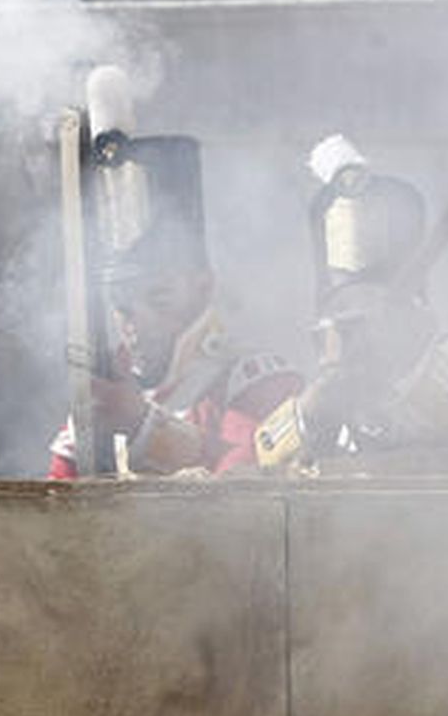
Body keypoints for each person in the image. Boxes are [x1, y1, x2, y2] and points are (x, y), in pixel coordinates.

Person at [254, 135, 448, 474]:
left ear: (413, 317)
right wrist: (310, 414)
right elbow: (263, 471)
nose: (352, 337)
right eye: (340, 320)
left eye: (362, 320)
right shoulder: (319, 411)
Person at [48, 117, 301, 479]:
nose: (136, 320)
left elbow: (246, 500)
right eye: (121, 302)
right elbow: (52, 505)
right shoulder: (111, 390)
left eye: (160, 298)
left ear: (202, 287)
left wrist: (142, 425)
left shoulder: (255, 381)